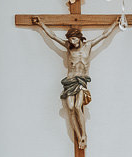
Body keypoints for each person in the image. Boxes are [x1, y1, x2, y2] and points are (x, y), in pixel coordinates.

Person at [30, 18, 120, 149]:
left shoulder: (88, 46)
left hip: (81, 80)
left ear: (79, 38)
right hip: (70, 81)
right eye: (70, 39)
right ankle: (78, 136)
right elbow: (53, 36)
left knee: (78, 106)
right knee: (70, 108)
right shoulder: (69, 47)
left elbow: (104, 35)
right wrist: (41, 24)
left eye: (74, 39)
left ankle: (84, 135)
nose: (72, 42)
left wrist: (115, 24)